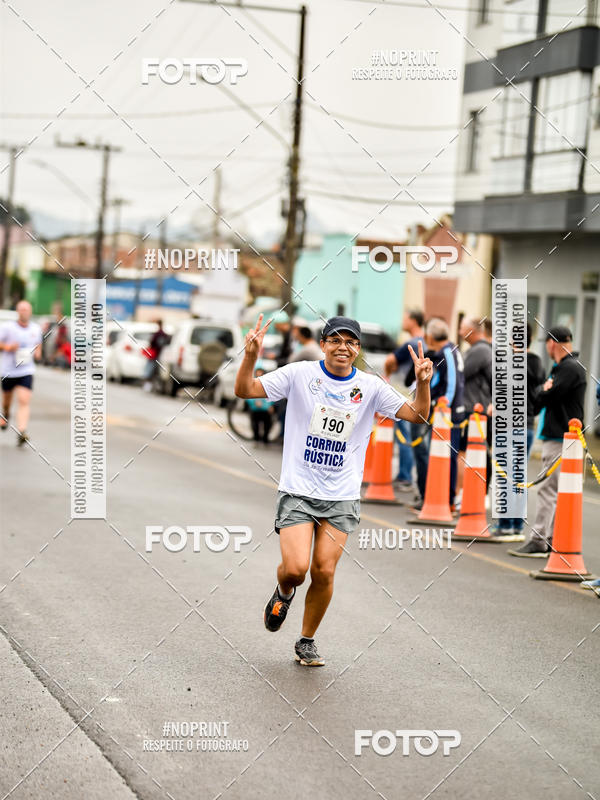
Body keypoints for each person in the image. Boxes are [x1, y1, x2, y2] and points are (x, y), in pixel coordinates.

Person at [235, 314, 432, 666]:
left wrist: (422, 383)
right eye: (336, 340)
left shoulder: (370, 387)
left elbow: (417, 415)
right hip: (299, 489)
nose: (344, 347)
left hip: (341, 495)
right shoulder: (299, 374)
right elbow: (245, 390)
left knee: (324, 570)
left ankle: (306, 640)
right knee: (296, 569)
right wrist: (250, 356)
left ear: (358, 349)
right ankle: (283, 591)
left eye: (351, 342)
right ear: (323, 344)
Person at [508, 326, 586, 557]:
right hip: (566, 437)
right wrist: (544, 389)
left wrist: (544, 389)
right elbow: (541, 398)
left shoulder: (568, 368)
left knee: (547, 489)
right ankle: (552, 538)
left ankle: (539, 539)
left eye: (547, 343)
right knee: (560, 490)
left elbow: (544, 396)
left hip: (559, 437)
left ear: (553, 343)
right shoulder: (567, 367)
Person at [491, 322, 545, 538]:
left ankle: (505, 525)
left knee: (505, 474)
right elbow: (539, 393)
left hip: (508, 426)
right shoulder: (537, 363)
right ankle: (517, 525)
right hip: (527, 425)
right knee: (519, 475)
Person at [409, 318, 465, 509]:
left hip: (447, 414)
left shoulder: (447, 351)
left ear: (430, 336)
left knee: (447, 457)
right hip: (445, 413)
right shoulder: (448, 350)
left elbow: (452, 383)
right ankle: (437, 498)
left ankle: (447, 499)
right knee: (442, 456)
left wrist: (444, 406)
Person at [384, 309, 425, 490]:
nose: (402, 321)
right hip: (416, 395)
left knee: (403, 436)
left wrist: (388, 374)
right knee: (411, 436)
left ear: (414, 321)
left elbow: (389, 360)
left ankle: (405, 477)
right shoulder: (425, 342)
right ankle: (407, 475)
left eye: (405, 318)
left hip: (401, 393)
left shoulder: (411, 343)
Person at [457, 316, 492, 502]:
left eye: (463, 328)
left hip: (473, 411)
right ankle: (470, 495)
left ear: (473, 330)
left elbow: (460, 374)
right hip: (475, 410)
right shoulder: (479, 349)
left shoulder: (480, 350)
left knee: (464, 453)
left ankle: (463, 494)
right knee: (472, 452)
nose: (460, 332)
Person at [0, 300, 42, 446]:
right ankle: (5, 413)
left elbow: (38, 344)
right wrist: (8, 347)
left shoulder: (35, 328)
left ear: (30, 312)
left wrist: (38, 352)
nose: (24, 312)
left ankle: (22, 432)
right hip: (8, 371)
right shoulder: (7, 327)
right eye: (22, 309)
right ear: (18, 311)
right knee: (7, 401)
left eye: (26, 309)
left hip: (26, 370)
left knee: (24, 400)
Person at [246, 364, 274, 444]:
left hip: (265, 409)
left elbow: (272, 395)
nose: (259, 374)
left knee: (267, 425)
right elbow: (247, 395)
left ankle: (265, 439)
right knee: (255, 425)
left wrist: (270, 406)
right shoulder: (251, 383)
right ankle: (256, 439)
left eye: (260, 372)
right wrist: (254, 402)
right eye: (257, 372)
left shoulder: (268, 383)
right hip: (255, 409)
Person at [143, 320, 170, 391]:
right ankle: (155, 386)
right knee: (158, 371)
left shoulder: (156, 334)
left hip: (154, 355)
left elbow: (151, 343)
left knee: (150, 370)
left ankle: (148, 386)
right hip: (161, 355)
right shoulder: (164, 335)